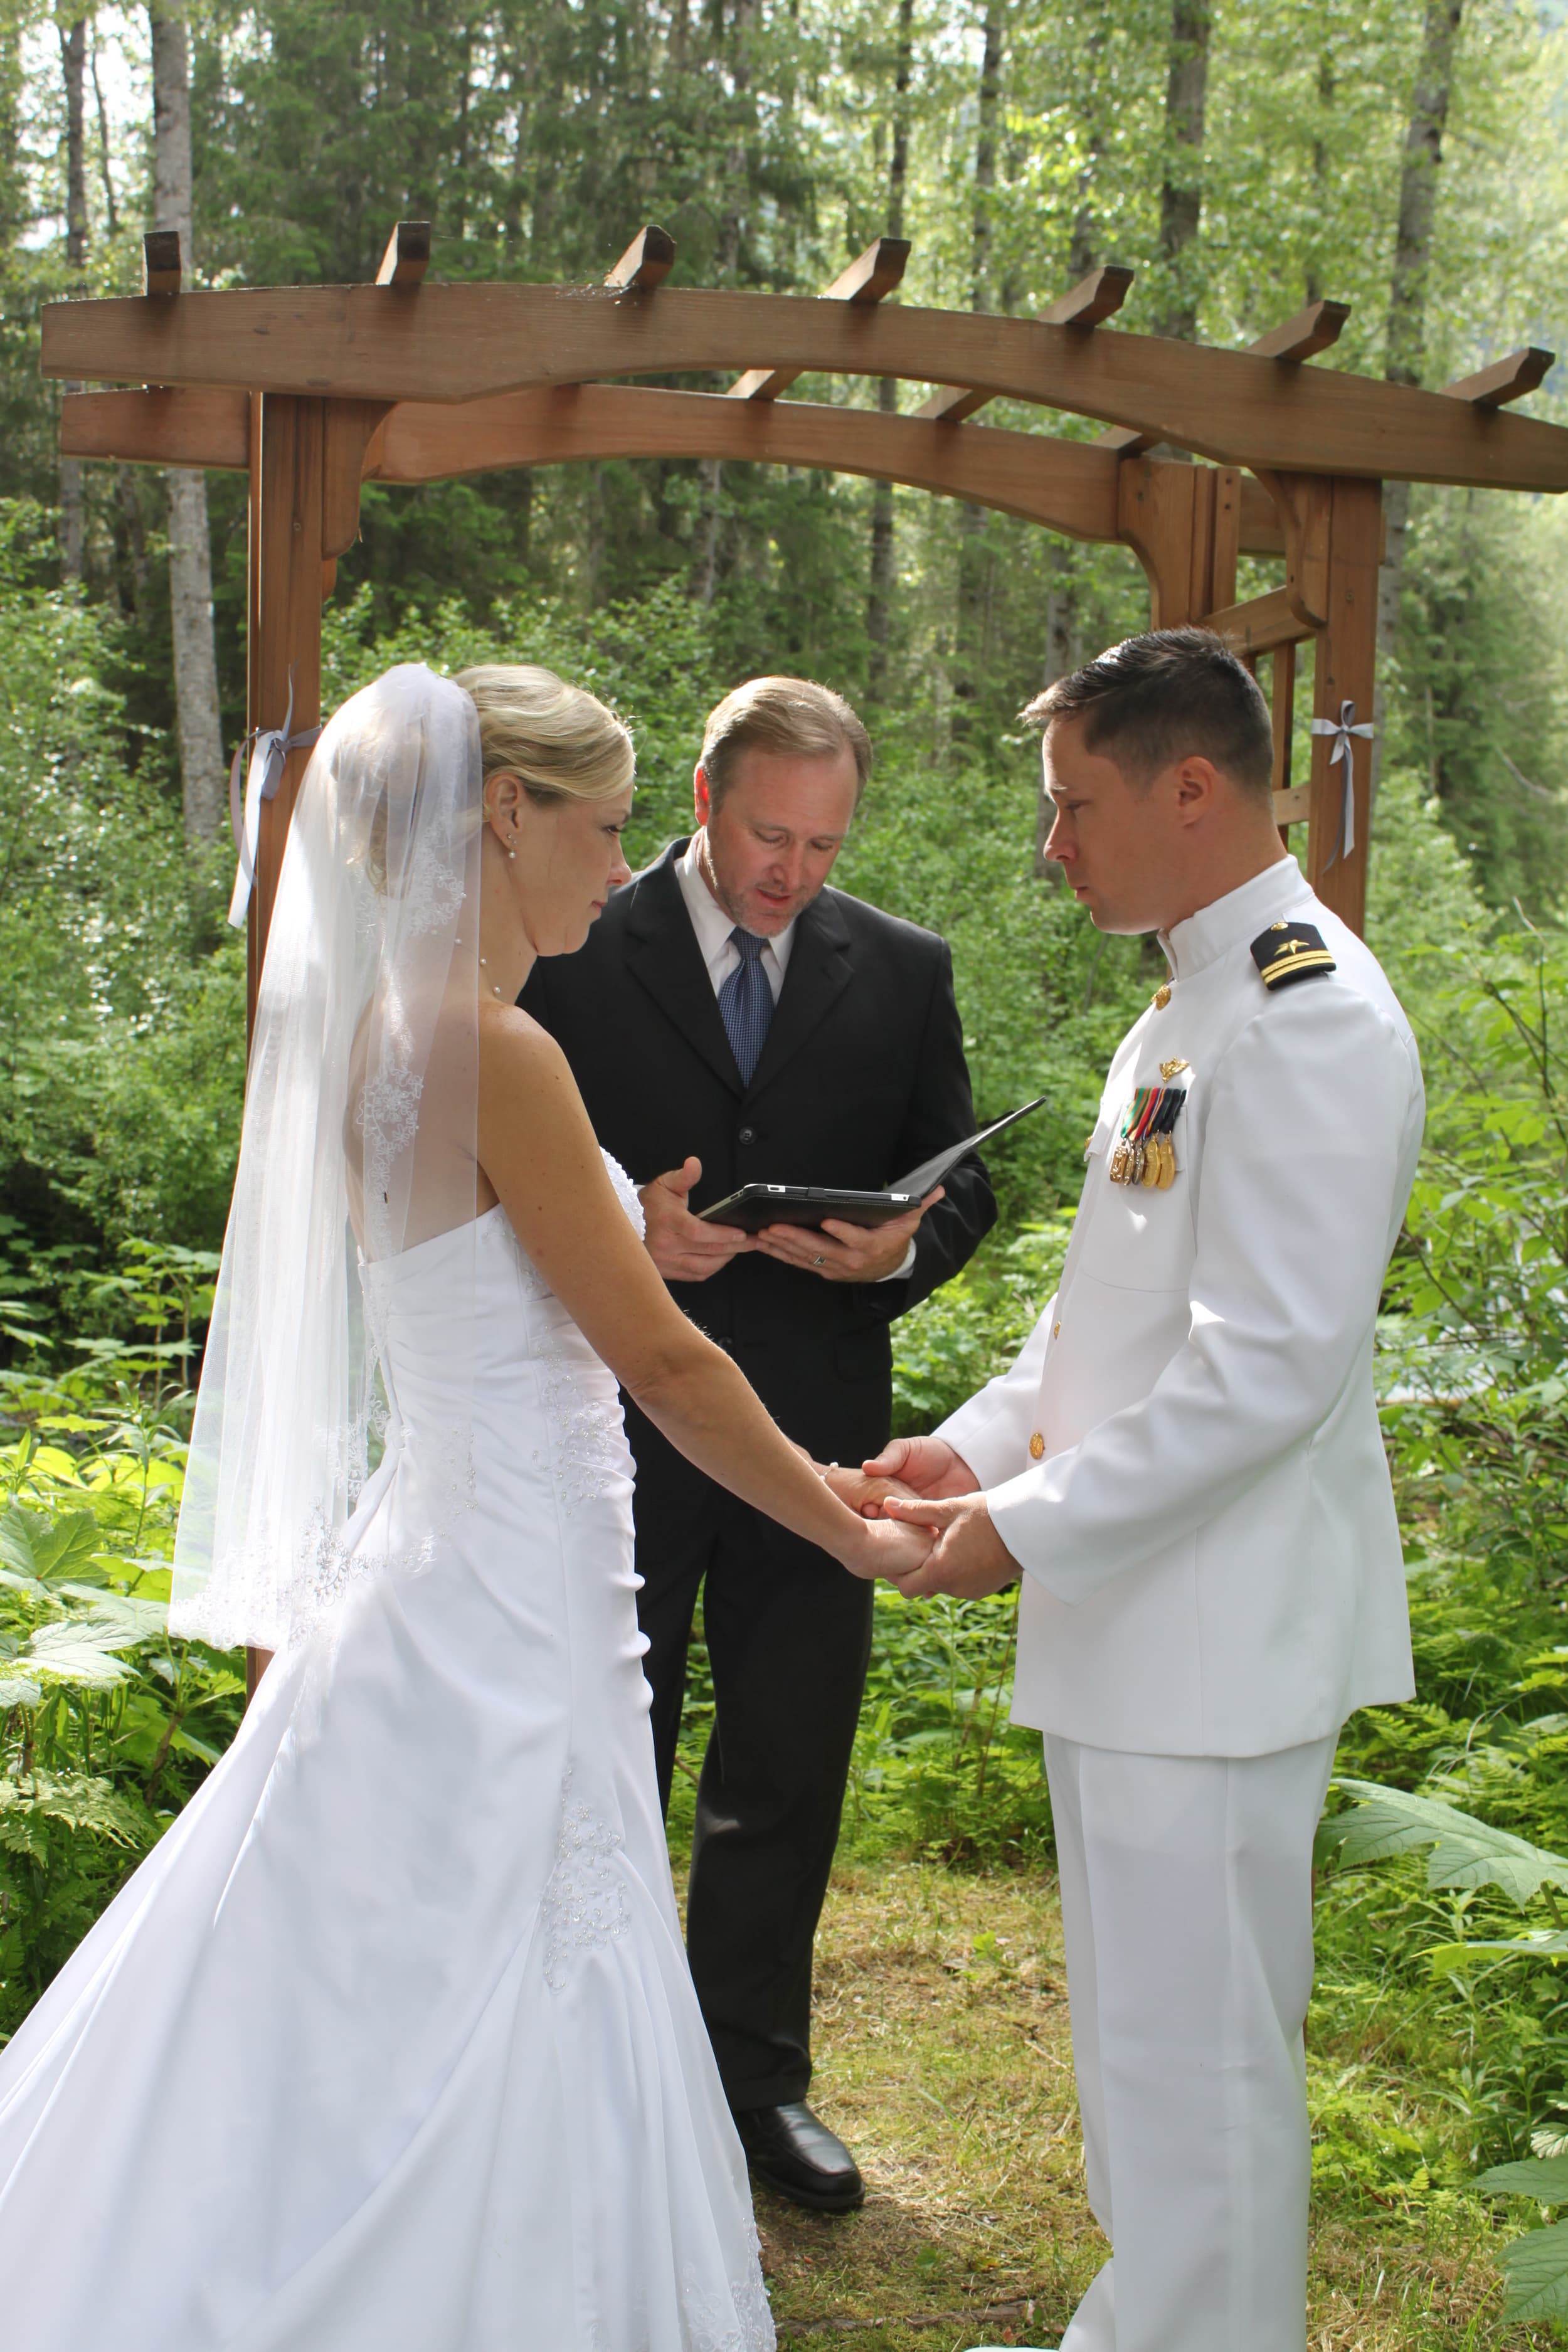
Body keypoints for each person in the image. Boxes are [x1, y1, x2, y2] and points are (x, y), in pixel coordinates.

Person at [0, 662, 930, 2352]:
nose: (617, 856)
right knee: (490, 1965)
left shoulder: (395, 1030)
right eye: (602, 820)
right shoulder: (496, 1044)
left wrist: (631, 1223)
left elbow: (498, 1276)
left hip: (465, 1564)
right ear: (505, 810)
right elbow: (657, 1361)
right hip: (506, 1594)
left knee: (379, 1974)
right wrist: (839, 1518)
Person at [857, 629, 1424, 2352]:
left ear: (1192, 785)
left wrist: (1012, 1530)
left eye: (1072, 803)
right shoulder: (1196, 1000)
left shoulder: (1305, 1012)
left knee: (1203, 2066)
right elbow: (1116, 1303)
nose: (1052, 845)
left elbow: (1265, 1363)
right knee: (1139, 2045)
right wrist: (974, 1441)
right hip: (1141, 1609)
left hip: (1214, 1628)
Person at [521, 674, 995, 2211]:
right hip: (610, 1419)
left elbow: (962, 1180)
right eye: (770, 834)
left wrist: (901, 1256)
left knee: (784, 1764)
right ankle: (584, 2080)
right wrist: (619, 1231)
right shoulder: (565, 936)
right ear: (707, 796)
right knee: (611, 1752)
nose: (792, 872)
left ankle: (751, 2090)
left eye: (824, 847)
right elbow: (473, 1163)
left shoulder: (905, 969)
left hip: (816, 1431)